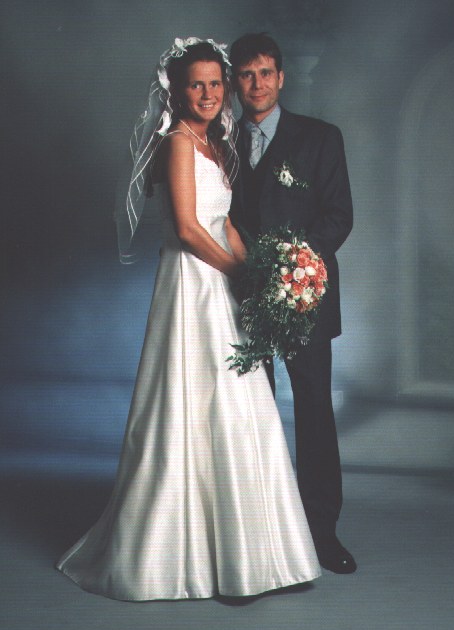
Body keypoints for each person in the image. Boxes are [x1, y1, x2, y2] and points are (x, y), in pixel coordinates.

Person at [55, 37, 321, 601]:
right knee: (199, 401)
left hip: (221, 277)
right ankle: (201, 559)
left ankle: (255, 557)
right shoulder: (178, 141)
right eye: (196, 85)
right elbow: (188, 229)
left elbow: (225, 224)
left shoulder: (215, 142)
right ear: (176, 91)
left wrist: (261, 273)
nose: (207, 94)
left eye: (215, 84)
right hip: (193, 284)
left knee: (239, 405)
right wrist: (239, 273)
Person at [229, 33, 356, 574]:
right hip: (239, 296)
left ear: (281, 78)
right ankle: (259, 530)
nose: (256, 84)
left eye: (265, 73)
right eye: (246, 74)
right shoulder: (220, 140)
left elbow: (339, 215)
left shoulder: (321, 138)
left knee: (314, 410)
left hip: (303, 294)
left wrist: (293, 264)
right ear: (235, 82)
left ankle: (321, 531)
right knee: (248, 411)